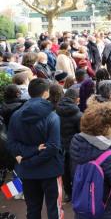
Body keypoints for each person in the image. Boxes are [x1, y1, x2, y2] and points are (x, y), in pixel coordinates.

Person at [7, 78, 65, 218]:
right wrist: (34, 151)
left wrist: (27, 160)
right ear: (46, 93)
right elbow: (53, 147)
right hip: (50, 170)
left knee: (32, 209)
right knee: (54, 209)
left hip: (27, 171)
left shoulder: (15, 115)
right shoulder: (52, 116)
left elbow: (12, 144)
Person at [70, 101, 111, 218]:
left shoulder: (76, 145)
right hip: (108, 212)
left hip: (83, 210)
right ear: (106, 128)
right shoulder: (109, 157)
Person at [55, 88, 82, 202]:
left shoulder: (55, 112)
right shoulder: (78, 114)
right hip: (74, 145)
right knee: (75, 170)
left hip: (60, 145)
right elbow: (81, 132)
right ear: (76, 99)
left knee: (65, 170)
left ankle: (68, 193)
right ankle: (77, 192)